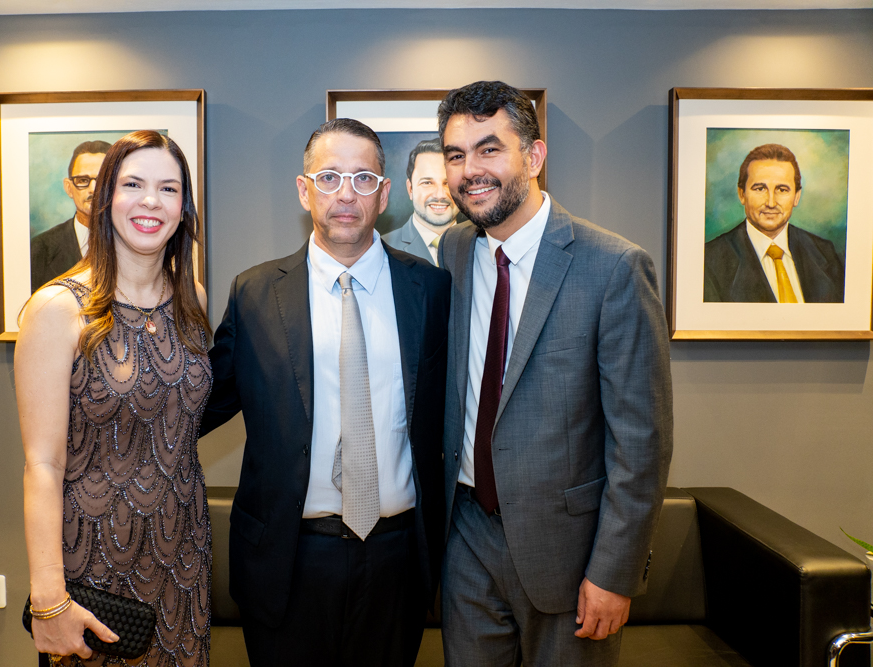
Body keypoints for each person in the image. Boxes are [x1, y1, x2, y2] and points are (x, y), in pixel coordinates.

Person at [435, 81, 673, 666]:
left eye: (490, 149)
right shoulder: (455, 253)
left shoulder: (614, 266)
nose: (470, 170)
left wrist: (615, 573)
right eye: (456, 154)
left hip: (569, 557)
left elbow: (641, 442)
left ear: (534, 157)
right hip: (465, 538)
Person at [201, 118, 450, 667]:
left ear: (385, 195)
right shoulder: (256, 293)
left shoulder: (431, 290)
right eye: (330, 176)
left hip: (398, 556)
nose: (345, 194)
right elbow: (199, 404)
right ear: (303, 188)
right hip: (287, 558)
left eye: (363, 179)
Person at [17, 130, 212, 667]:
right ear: (105, 200)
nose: (151, 201)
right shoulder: (58, 309)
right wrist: (49, 600)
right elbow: (42, 463)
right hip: (94, 568)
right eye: (133, 184)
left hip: (182, 560)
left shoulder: (192, 298)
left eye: (168, 189)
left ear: (182, 208)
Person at [704, 143, 845, 303]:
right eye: (760, 189)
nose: (771, 202)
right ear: (742, 194)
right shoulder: (710, 262)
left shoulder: (826, 253)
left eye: (782, 189)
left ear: (797, 196)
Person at [31, 140, 111, 292]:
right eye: (82, 180)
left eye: (103, 180)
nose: (93, 189)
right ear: (69, 188)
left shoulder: (138, 245)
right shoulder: (39, 250)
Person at [383, 138, 459, 266]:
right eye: (427, 183)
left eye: (448, 182)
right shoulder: (382, 248)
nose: (440, 194)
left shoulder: (484, 244)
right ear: (410, 188)